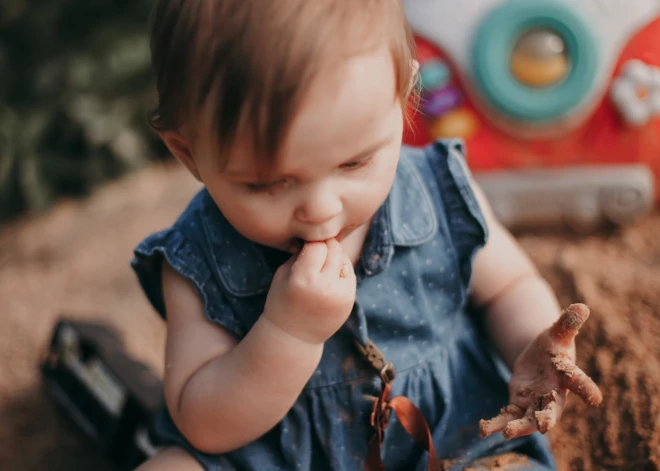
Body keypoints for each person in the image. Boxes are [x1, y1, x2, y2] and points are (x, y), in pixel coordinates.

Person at [131, 1, 602, 470]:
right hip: (273, 455)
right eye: (266, 184)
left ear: (405, 98)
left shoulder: (439, 190)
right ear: (188, 153)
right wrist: (287, 334)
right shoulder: (196, 256)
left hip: (451, 437)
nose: (321, 208)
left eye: (354, 163)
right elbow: (204, 423)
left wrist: (534, 345)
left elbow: (509, 288)